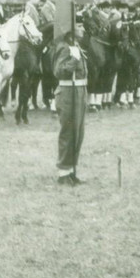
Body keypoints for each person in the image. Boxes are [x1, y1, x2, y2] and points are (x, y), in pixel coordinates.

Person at [54, 16, 87, 185]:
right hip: (68, 92)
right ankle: (63, 172)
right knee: (68, 131)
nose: (84, 29)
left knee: (78, 132)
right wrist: (73, 60)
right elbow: (58, 72)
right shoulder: (65, 48)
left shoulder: (75, 46)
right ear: (72, 29)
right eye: (80, 26)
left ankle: (71, 170)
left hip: (79, 90)